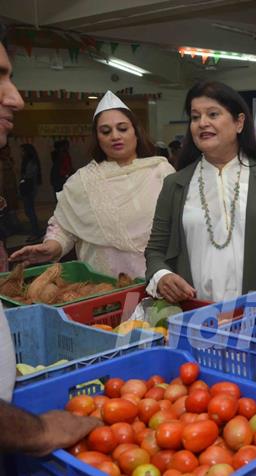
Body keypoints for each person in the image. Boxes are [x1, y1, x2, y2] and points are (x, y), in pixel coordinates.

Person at [0, 23, 100, 462]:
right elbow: (66, 224)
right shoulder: (82, 179)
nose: (17, 97)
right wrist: (36, 430)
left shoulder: (161, 173)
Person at [145, 81, 256, 302]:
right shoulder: (176, 184)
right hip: (196, 314)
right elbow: (155, 251)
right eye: (195, 117)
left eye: (213, 114)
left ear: (239, 122)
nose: (202, 123)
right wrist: (162, 276)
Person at [10, 91, 175, 278]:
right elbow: (64, 228)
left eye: (122, 128)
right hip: (102, 285)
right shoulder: (81, 182)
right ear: (97, 138)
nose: (115, 136)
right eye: (106, 131)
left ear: (136, 132)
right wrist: (51, 247)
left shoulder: (161, 171)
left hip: (159, 282)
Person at [18, 144, 42, 240]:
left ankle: (35, 232)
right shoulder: (27, 161)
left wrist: (22, 177)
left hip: (29, 188)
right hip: (28, 188)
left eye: (23, 151)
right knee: (28, 211)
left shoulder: (31, 162)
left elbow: (29, 176)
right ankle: (36, 230)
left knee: (29, 211)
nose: (21, 153)